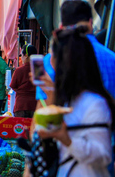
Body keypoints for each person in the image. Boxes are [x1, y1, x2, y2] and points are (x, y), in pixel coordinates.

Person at [37, 26, 115, 176]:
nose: (50, 65)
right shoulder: (68, 100)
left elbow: (103, 156)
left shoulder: (94, 103)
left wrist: (67, 139)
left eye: (54, 59)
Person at [9, 44, 37, 118]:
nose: (21, 57)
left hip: (21, 105)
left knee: (20, 128)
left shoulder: (19, 70)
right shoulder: (39, 70)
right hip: (35, 105)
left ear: (26, 55)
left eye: (22, 55)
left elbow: (13, 86)